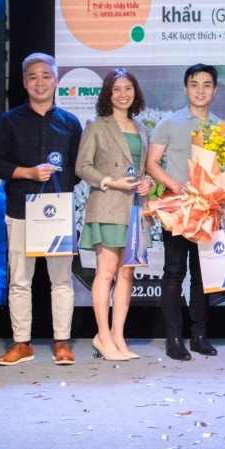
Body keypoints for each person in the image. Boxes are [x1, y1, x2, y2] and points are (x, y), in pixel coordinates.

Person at [0, 53, 83, 366]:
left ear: (56, 80)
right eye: (33, 77)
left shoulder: (71, 123)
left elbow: (78, 169)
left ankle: (62, 342)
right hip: (20, 210)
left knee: (62, 281)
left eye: (46, 76)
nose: (40, 82)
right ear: (24, 83)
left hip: (57, 213)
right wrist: (28, 173)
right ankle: (21, 343)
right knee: (19, 281)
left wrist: (57, 188)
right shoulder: (9, 121)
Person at [76, 68, 153, 362]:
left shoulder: (142, 128)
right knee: (106, 272)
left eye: (128, 88)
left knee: (126, 274)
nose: (123, 94)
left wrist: (148, 182)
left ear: (135, 92)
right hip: (107, 205)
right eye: (116, 89)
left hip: (134, 209)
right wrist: (110, 181)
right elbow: (82, 166)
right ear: (108, 94)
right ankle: (103, 337)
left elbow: (145, 169)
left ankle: (118, 336)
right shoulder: (96, 126)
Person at [147, 64, 222, 361]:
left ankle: (199, 336)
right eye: (194, 84)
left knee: (203, 276)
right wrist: (174, 185)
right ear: (185, 88)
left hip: (207, 209)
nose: (200, 90)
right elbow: (152, 163)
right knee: (174, 273)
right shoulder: (169, 123)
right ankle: (174, 339)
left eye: (206, 84)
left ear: (214, 90)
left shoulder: (221, 127)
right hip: (177, 208)